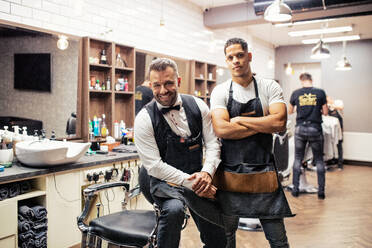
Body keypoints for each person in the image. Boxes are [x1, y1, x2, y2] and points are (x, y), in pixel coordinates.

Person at [134, 58, 226, 248]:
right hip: (163, 181)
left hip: (199, 176)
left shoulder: (198, 106)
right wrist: (194, 184)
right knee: (174, 211)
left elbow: (212, 143)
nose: (162, 90)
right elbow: (155, 166)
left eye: (168, 83)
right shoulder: (144, 118)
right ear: (150, 85)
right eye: (156, 85)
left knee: (217, 230)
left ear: (179, 81)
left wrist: (207, 172)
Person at [210, 37, 293, 248]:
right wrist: (262, 123)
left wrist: (240, 120)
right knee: (225, 238)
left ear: (249, 56)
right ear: (226, 61)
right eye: (230, 57)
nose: (235, 60)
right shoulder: (220, 91)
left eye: (239, 55)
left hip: (263, 174)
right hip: (229, 177)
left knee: (278, 240)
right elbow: (222, 129)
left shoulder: (268, 87)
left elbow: (280, 122)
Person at [288, 72, 328, 199]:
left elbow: (290, 111)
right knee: (319, 160)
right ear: (311, 80)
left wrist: (298, 108)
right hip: (315, 128)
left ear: (301, 80)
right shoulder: (320, 92)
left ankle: (295, 189)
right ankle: (321, 192)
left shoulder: (296, 93)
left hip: (300, 129)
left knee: (298, 159)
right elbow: (326, 112)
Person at [327, 96, 344, 169]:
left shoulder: (338, 102)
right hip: (330, 129)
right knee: (329, 145)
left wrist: (331, 105)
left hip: (339, 129)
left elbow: (341, 108)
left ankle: (340, 164)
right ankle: (331, 160)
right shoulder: (326, 107)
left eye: (328, 99)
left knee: (339, 145)